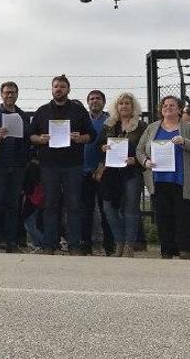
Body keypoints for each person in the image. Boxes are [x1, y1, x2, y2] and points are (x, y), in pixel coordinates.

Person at [28, 75, 95, 255]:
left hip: (73, 165)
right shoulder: (42, 111)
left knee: (73, 205)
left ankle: (74, 244)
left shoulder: (78, 111)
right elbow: (31, 136)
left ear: (68, 89)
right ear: (52, 89)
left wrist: (80, 138)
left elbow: (92, 135)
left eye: (62, 86)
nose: (59, 89)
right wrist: (40, 139)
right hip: (49, 165)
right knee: (50, 205)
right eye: (56, 86)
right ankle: (50, 244)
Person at [137, 96, 190, 259]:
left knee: (184, 216)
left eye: (172, 105)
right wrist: (145, 161)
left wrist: (185, 142)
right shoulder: (152, 128)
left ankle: (185, 249)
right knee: (163, 217)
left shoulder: (188, 128)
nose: (168, 108)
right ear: (161, 109)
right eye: (165, 105)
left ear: (179, 109)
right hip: (158, 180)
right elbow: (139, 150)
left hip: (181, 179)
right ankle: (167, 250)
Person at [95, 93, 148, 257]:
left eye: (127, 103)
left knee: (130, 209)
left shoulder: (141, 126)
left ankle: (129, 245)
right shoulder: (109, 125)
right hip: (111, 173)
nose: (124, 106)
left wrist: (136, 160)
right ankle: (119, 241)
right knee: (108, 208)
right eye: (121, 104)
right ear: (116, 107)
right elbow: (98, 145)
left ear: (133, 107)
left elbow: (146, 149)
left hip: (132, 172)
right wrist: (103, 148)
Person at [0, 82, 30, 253]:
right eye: (6, 93)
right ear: (1, 94)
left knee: (13, 205)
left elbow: (27, 140)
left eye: (12, 92)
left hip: (18, 166)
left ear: (17, 94)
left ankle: (11, 243)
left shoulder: (23, 116)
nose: (9, 95)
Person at [81, 90, 115, 256]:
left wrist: (102, 166)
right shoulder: (81, 119)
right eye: (91, 99)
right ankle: (85, 245)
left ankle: (110, 246)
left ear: (103, 101)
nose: (94, 101)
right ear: (88, 102)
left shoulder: (110, 121)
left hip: (105, 171)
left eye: (98, 98)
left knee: (106, 210)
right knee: (85, 210)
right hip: (84, 170)